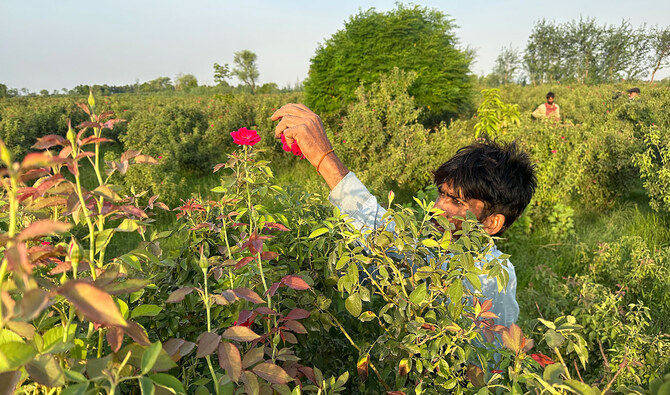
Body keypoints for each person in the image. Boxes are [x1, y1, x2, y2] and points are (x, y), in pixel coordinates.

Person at [271, 104, 537, 327]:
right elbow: (378, 228)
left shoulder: (490, 276)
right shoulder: (429, 244)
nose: (437, 207)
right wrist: (323, 158)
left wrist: (325, 157)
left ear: (492, 223)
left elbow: (489, 354)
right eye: (441, 194)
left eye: (456, 202)